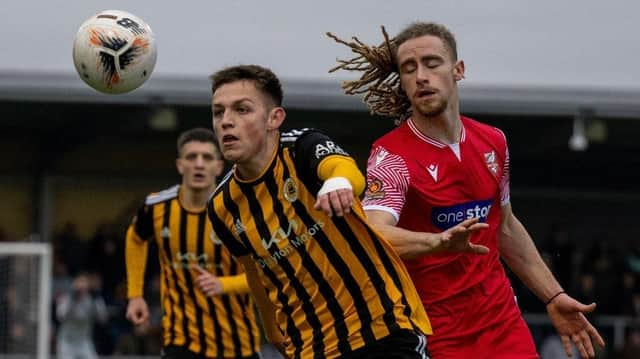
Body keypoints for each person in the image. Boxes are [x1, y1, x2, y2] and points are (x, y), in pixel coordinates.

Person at [328, 22, 605, 358]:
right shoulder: (392, 156)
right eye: (409, 69)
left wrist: (553, 295)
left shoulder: (493, 141)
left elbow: (504, 226)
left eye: (432, 63)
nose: (421, 77)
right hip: (435, 332)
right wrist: (438, 242)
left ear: (458, 70)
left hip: (503, 323)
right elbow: (373, 232)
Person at [206, 64, 438, 359]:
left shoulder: (302, 147)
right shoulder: (222, 206)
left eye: (242, 110)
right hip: (312, 348)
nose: (226, 121)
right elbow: (255, 274)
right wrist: (273, 331)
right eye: (218, 112)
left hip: (383, 328)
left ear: (274, 118)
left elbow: (346, 170)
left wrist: (338, 183)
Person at [125, 128, 261, 359]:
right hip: (181, 340)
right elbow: (135, 238)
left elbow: (265, 271)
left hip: (238, 343)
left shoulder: (240, 210)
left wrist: (224, 285)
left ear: (219, 166)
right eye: (191, 157)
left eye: (207, 158)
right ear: (180, 165)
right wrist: (135, 295)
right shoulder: (157, 207)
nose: (199, 164)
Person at [56, 272, 108, 359]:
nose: (81, 286)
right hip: (67, 341)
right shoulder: (67, 298)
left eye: (84, 283)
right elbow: (60, 316)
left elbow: (103, 318)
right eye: (79, 283)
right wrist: (73, 298)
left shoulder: (93, 299)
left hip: (84, 341)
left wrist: (96, 299)